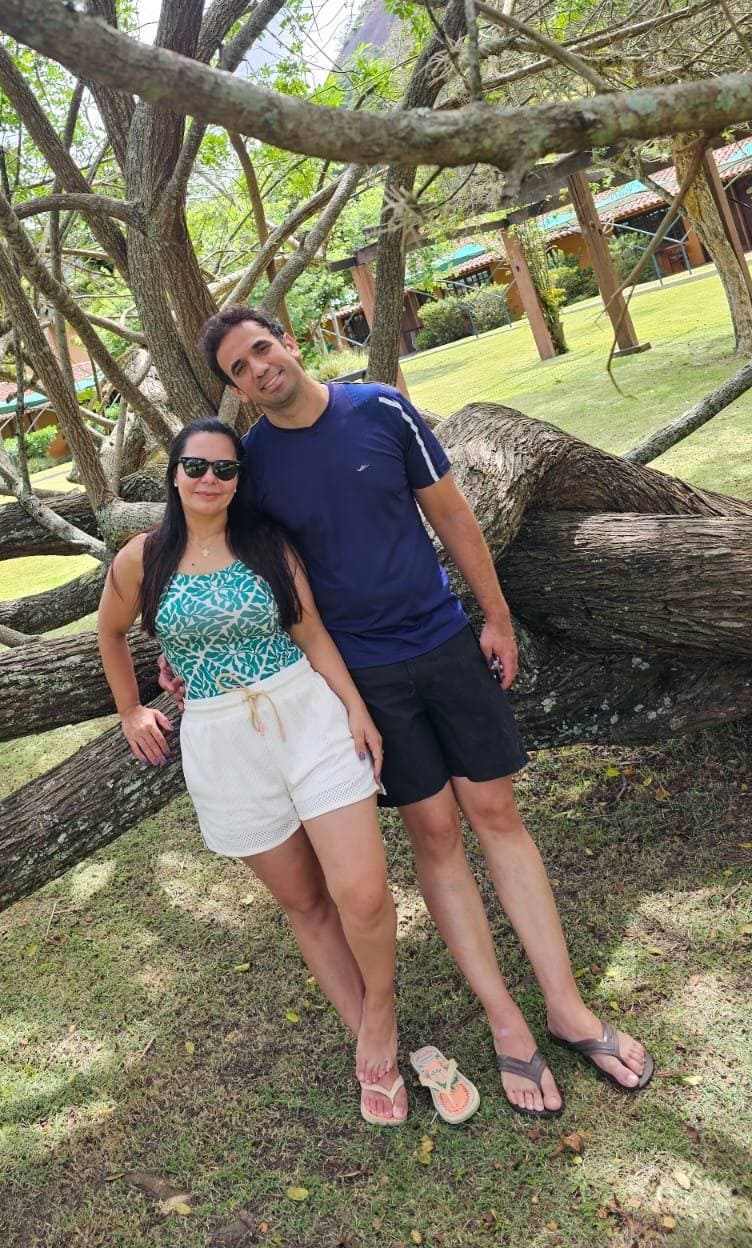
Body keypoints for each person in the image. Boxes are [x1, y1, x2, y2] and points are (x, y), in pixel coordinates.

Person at [166, 308, 653, 1117]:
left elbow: (452, 515)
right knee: (434, 832)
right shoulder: (253, 464)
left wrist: (496, 616)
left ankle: (567, 1008)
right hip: (364, 677)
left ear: (288, 340)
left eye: (261, 349)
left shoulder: (382, 409)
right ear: (237, 390)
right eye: (239, 369)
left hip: (444, 642)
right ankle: (505, 1022)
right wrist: (180, 649)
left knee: (496, 812)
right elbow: (230, 559)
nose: (258, 369)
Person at [98, 417, 409, 1126]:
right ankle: (370, 1042)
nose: (210, 479)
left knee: (362, 893)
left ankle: (382, 1013)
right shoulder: (142, 558)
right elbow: (109, 633)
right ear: (174, 475)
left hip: (305, 717)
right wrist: (130, 710)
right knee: (305, 903)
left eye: (226, 469)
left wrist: (355, 709)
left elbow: (310, 631)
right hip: (221, 741)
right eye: (196, 467)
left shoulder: (268, 544)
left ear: (240, 481)